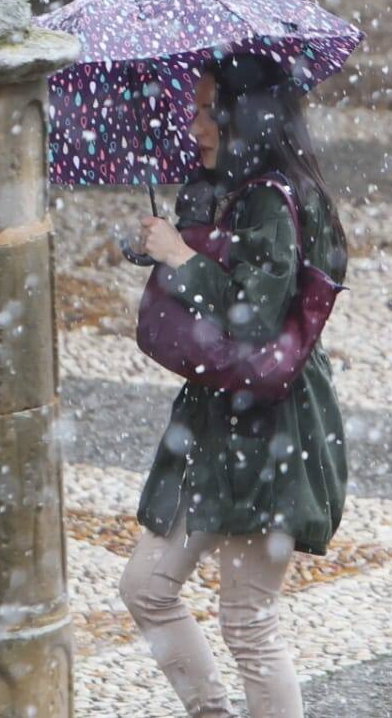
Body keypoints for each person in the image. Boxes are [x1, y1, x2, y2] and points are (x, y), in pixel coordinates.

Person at [121, 51, 350, 717]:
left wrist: (182, 258)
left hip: (272, 424)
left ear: (241, 114)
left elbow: (255, 318)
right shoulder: (230, 190)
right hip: (215, 418)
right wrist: (169, 244)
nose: (194, 124)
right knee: (146, 587)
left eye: (203, 109)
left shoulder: (275, 201)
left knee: (247, 618)